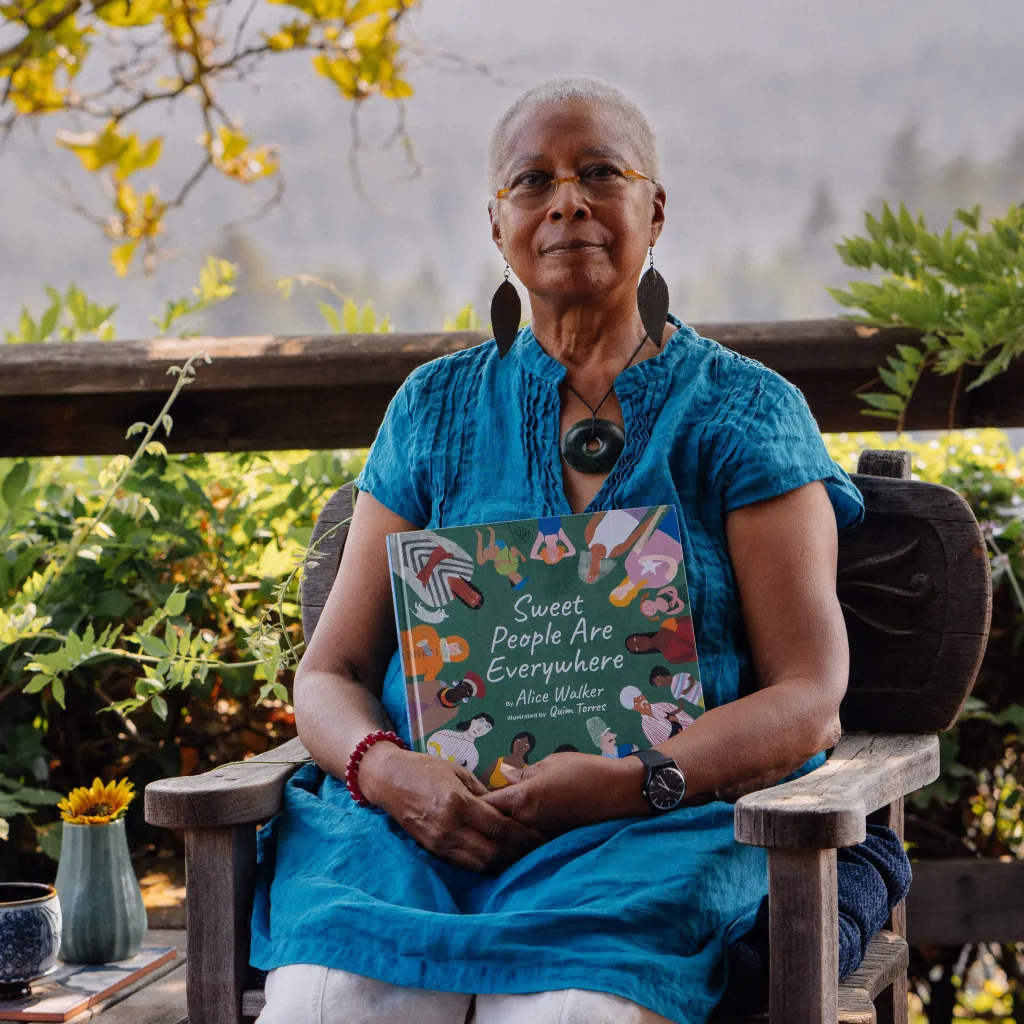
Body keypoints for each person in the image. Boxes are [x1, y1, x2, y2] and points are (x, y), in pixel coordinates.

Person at [251, 76, 908, 1024]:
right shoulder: (434, 410)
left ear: (655, 208)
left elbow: (808, 696)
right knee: (333, 1001)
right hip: (412, 840)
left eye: (599, 171)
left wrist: (641, 781)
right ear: (496, 224)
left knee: (572, 1012)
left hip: (657, 832)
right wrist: (393, 777)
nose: (566, 200)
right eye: (533, 181)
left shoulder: (742, 412)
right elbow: (332, 670)